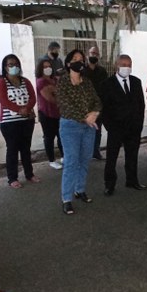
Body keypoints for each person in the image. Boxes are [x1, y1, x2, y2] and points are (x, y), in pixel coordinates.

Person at [57, 49, 101, 215]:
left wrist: (95, 114)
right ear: (68, 64)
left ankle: (80, 189)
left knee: (84, 159)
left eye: (81, 59)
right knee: (71, 162)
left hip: (88, 127)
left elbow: (97, 101)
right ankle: (66, 198)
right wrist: (86, 118)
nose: (79, 62)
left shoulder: (87, 82)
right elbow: (65, 106)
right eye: (75, 59)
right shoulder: (62, 82)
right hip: (70, 126)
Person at [98, 55, 146, 196]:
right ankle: (109, 185)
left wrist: (139, 124)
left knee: (132, 156)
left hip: (133, 127)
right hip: (116, 128)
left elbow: (141, 105)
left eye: (129, 64)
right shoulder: (107, 84)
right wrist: (109, 126)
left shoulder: (136, 82)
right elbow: (103, 108)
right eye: (123, 64)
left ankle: (132, 180)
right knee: (111, 158)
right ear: (116, 65)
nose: (126, 67)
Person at [0, 54, 39, 189]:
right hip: (9, 122)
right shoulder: (1, 82)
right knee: (12, 149)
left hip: (27, 121)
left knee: (26, 148)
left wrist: (28, 108)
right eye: (10, 65)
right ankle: (12, 178)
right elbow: (3, 100)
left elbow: (32, 97)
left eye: (16, 64)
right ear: (5, 67)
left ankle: (29, 174)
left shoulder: (25, 81)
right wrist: (20, 110)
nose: (14, 67)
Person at [36, 58, 64, 170]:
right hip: (47, 113)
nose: (48, 69)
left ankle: (63, 156)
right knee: (49, 137)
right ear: (40, 69)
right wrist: (59, 95)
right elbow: (50, 98)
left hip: (58, 113)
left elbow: (59, 93)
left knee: (61, 136)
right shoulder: (41, 81)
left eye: (49, 66)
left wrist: (56, 91)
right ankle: (52, 160)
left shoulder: (55, 80)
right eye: (45, 67)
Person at [82, 46, 109, 159]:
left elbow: (105, 88)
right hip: (85, 106)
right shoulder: (82, 71)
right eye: (92, 53)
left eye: (96, 54)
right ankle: (84, 153)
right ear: (88, 54)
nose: (94, 55)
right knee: (85, 130)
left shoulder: (102, 71)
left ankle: (95, 152)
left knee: (97, 131)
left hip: (98, 106)